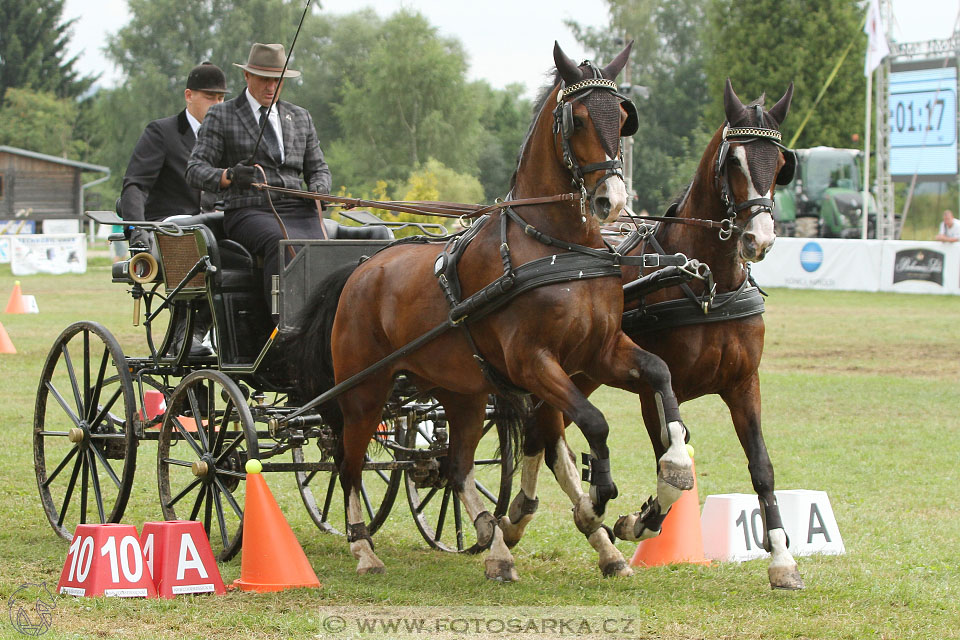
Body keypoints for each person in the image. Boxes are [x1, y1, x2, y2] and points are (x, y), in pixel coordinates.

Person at [185, 42, 331, 314]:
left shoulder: (300, 117)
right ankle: (284, 323)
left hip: (298, 209)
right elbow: (195, 170)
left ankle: (320, 321)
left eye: (277, 80)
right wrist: (228, 176)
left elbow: (318, 169)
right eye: (264, 79)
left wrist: (320, 191)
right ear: (247, 76)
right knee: (281, 241)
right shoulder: (222, 114)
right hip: (249, 210)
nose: (271, 87)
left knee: (322, 250)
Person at [120, 62, 229, 222]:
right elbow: (136, 185)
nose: (217, 105)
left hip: (217, 226)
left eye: (221, 98)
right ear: (188, 95)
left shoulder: (227, 138)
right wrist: (135, 229)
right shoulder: (161, 133)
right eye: (210, 97)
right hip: (172, 229)